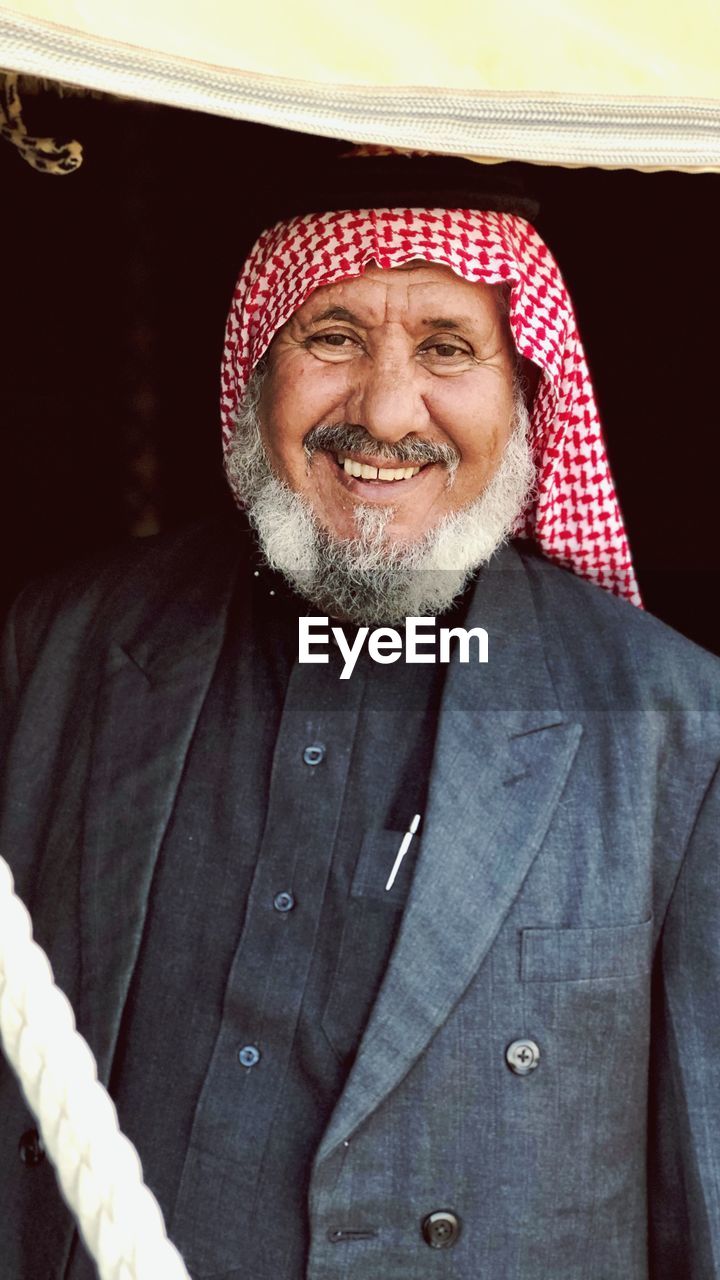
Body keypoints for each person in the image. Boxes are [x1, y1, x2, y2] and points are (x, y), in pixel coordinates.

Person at [1, 193, 719, 1280]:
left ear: (528, 394)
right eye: (331, 338)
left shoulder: (673, 725)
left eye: (447, 348)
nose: (386, 412)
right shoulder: (67, 642)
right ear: (258, 367)